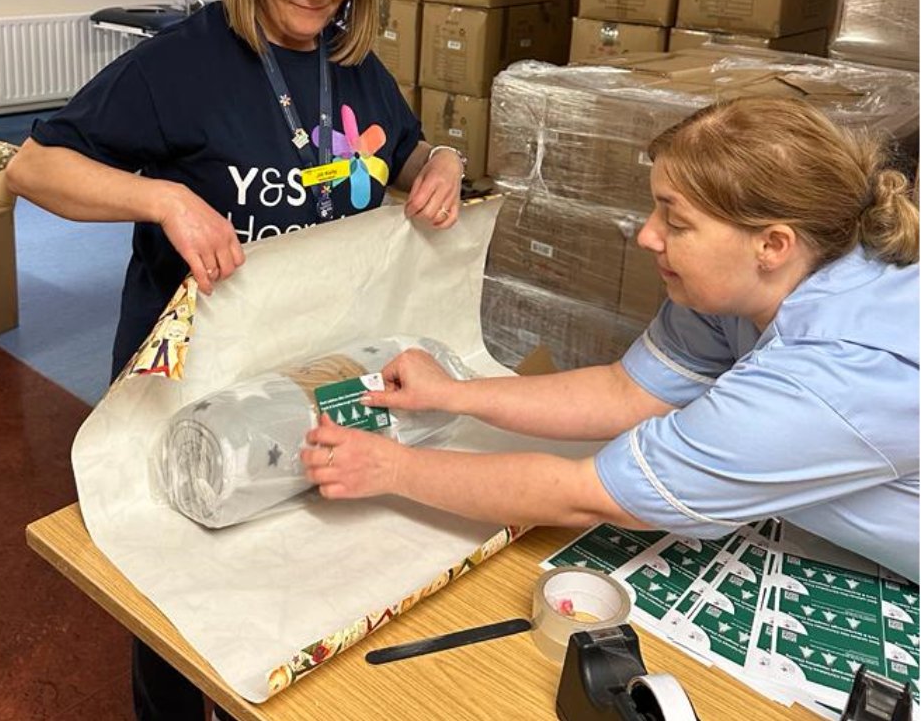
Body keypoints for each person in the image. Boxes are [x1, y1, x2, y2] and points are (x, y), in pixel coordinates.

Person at [5, 0, 465, 721]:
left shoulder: (353, 64)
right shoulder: (180, 65)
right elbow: (34, 168)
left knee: (289, 578)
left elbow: (399, 156)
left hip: (304, 373)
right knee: (179, 598)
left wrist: (439, 160)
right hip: (189, 382)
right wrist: (161, 197)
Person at [303, 97, 920, 583]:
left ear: (772, 244)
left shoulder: (832, 376)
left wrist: (392, 468)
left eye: (676, 222)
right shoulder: (746, 288)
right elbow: (624, 391)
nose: (646, 236)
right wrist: (454, 393)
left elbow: (588, 495)